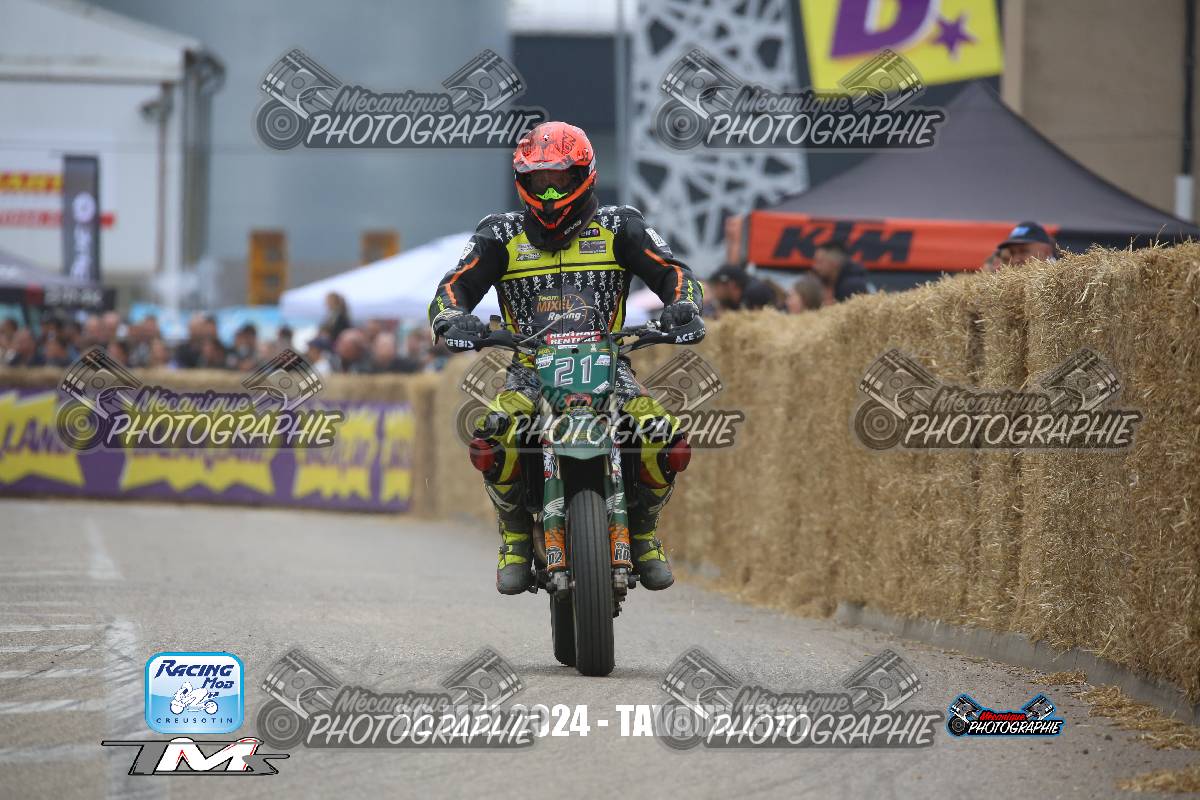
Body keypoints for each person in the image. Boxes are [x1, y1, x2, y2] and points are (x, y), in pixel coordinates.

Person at [428, 120, 703, 594]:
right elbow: (453, 287)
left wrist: (683, 306)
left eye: (559, 178)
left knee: (663, 434)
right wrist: (452, 317)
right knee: (493, 434)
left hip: (608, 367)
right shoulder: (499, 233)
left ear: (584, 175)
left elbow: (674, 273)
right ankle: (515, 536)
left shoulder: (621, 225)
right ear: (523, 181)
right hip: (529, 372)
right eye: (539, 180)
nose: (550, 192)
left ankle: (643, 532)